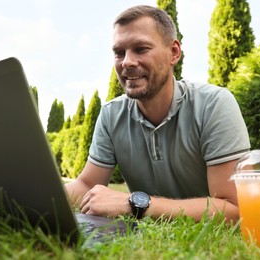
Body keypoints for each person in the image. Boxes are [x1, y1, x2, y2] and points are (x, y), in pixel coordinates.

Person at [66, 5, 250, 222]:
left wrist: (134, 204)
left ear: (174, 52)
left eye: (141, 49)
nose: (127, 61)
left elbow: (233, 209)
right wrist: (25, 202)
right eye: (119, 53)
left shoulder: (214, 104)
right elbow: (86, 185)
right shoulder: (110, 114)